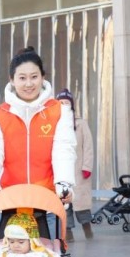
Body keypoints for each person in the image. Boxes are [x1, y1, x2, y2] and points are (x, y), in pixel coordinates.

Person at [0, 47, 77, 230]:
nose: (29, 83)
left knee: (49, 256)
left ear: (43, 77)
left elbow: (64, 150)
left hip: (47, 204)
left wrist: (64, 184)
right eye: (22, 78)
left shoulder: (59, 111)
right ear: (12, 80)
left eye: (34, 76)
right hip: (10, 204)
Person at [56, 89, 95, 241]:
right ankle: (68, 234)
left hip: (78, 170)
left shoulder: (81, 123)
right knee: (65, 204)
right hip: (62, 171)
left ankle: (88, 231)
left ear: (71, 104)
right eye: (61, 103)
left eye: (66, 102)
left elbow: (88, 146)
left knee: (81, 205)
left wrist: (87, 167)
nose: (64, 105)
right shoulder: (54, 123)